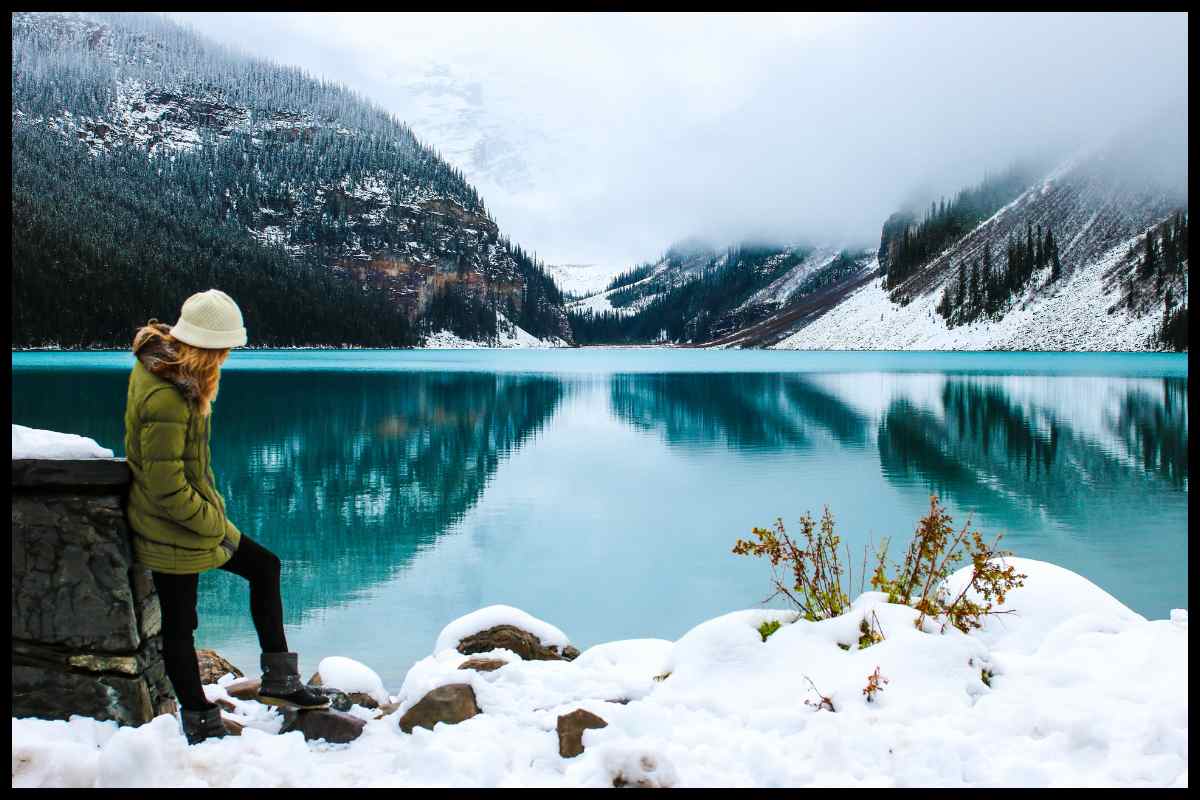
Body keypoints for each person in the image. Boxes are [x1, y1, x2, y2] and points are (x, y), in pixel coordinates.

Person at [124, 289, 329, 746]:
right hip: (169, 525)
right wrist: (213, 523)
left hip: (192, 519)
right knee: (180, 624)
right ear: (205, 345)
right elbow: (165, 485)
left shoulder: (176, 376)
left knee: (264, 566)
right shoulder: (166, 396)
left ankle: (279, 680)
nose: (229, 356)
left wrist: (210, 517)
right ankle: (200, 720)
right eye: (225, 348)